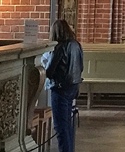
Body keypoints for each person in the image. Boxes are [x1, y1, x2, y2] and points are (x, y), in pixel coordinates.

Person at [42, 19, 84, 152]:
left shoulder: (59, 47)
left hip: (60, 89)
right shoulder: (76, 45)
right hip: (73, 87)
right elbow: (81, 66)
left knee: (61, 127)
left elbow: (49, 71)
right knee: (67, 125)